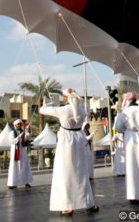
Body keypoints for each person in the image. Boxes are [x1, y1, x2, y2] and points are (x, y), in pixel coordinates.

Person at [40, 88, 98, 216]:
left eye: (64, 96)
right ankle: (88, 203)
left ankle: (67, 206)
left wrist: (48, 101)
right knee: (81, 172)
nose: (63, 98)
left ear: (67, 98)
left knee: (65, 172)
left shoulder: (62, 110)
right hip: (78, 139)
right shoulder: (83, 111)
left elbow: (42, 110)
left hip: (66, 141)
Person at [114, 92, 139, 203]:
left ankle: (134, 195)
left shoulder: (124, 112)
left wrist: (127, 128)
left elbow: (118, 128)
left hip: (130, 138)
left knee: (132, 166)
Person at [8, 119, 33, 189]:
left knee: (24, 166)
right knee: (14, 167)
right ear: (15, 125)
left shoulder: (23, 132)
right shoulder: (12, 133)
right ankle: (12, 183)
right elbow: (13, 141)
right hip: (15, 152)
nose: (19, 125)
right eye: (18, 124)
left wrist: (28, 131)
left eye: (20, 124)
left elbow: (26, 139)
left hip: (22, 152)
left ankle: (26, 182)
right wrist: (21, 135)